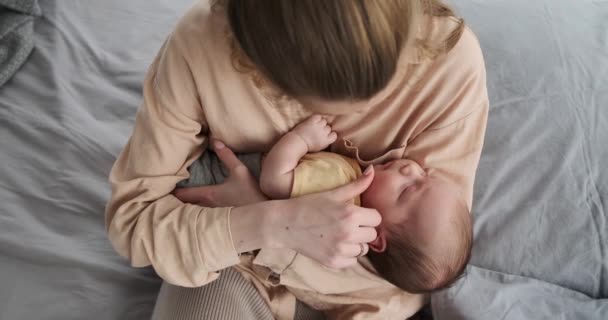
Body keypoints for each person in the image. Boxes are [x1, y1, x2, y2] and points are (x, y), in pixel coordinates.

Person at [105, 0, 489, 319]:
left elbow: (421, 262)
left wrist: (263, 220)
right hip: (235, 267)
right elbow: (135, 224)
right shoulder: (199, 49)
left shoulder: (448, 64)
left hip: (365, 300)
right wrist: (267, 223)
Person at [258, 114, 472, 295]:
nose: (411, 169)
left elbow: (273, 181)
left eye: (406, 190)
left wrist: (301, 139)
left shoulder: (340, 188)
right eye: (425, 175)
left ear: (376, 237)